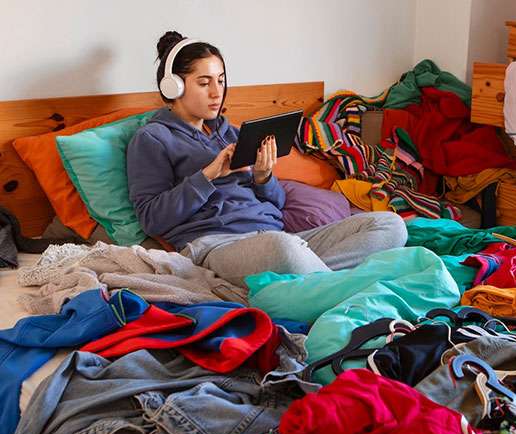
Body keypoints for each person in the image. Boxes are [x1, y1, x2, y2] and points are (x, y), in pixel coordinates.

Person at [126, 31, 407, 288]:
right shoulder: (153, 138)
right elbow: (152, 219)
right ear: (174, 86)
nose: (216, 92)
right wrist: (207, 176)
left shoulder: (233, 133)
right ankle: (338, 283)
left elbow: (277, 203)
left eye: (221, 80)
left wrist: (263, 177)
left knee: (389, 225)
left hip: (279, 237)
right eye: (204, 82)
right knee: (283, 250)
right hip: (220, 245)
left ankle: (317, 283)